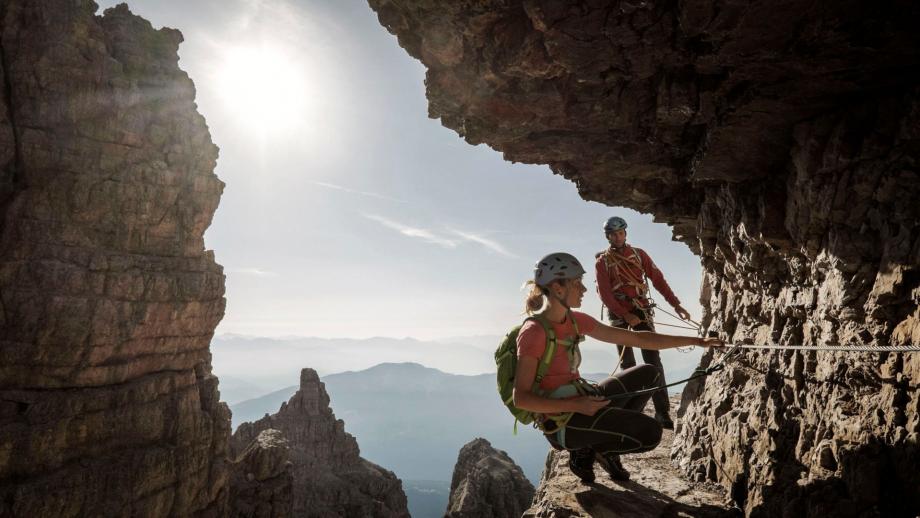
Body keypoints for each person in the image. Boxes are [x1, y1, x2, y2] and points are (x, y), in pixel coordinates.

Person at [515, 252, 722, 483]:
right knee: (651, 433)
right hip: (563, 423)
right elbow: (522, 399)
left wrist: (696, 341)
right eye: (577, 283)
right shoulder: (534, 332)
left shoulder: (575, 320)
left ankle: (604, 446)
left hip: (583, 401)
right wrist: (576, 405)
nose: (583, 290)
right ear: (558, 288)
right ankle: (589, 450)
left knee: (650, 373)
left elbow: (640, 339)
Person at [595, 216, 690, 429]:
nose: (618, 237)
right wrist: (624, 314)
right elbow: (605, 294)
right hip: (619, 315)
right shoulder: (602, 262)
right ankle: (631, 412)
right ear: (608, 236)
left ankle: (662, 412)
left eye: (620, 233)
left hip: (641, 310)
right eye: (613, 234)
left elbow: (658, 280)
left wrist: (676, 305)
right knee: (628, 365)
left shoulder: (639, 255)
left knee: (653, 361)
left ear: (625, 234)